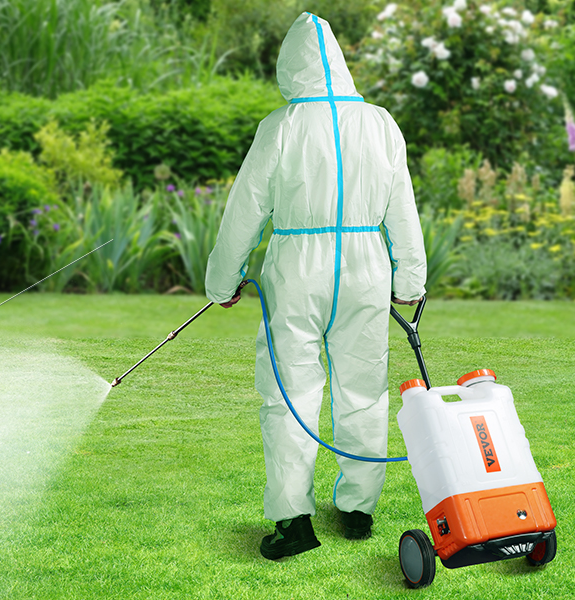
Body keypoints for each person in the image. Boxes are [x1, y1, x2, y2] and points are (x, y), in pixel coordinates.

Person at [203, 12, 427, 561]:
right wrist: (410, 280)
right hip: (365, 266)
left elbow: (245, 210)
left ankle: (293, 522)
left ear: (289, 67)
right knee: (364, 386)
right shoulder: (380, 123)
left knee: (288, 394)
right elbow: (402, 208)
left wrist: (220, 281)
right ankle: (357, 510)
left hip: (296, 267)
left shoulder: (280, 126)